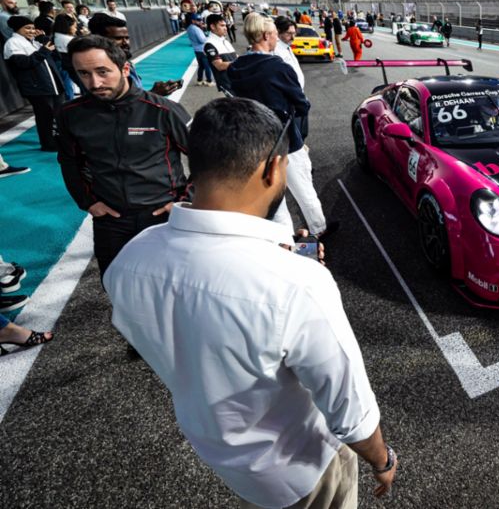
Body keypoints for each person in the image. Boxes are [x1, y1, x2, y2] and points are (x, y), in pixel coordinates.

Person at [104, 98, 396, 508]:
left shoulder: (131, 258)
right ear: (274, 168)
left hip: (219, 450)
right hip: (302, 468)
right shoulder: (297, 283)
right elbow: (349, 407)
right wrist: (383, 460)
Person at [56, 35, 191, 281]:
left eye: (102, 72)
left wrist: (185, 200)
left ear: (125, 68)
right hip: (111, 219)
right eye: (83, 74)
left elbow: (208, 160)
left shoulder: (164, 110)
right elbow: (69, 161)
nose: (94, 83)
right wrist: (88, 202)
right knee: (114, 283)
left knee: (172, 286)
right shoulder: (69, 114)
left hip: (164, 215)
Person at [229, 13, 334, 238]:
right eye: (275, 35)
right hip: (286, 138)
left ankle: (285, 241)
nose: (277, 39)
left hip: (255, 141)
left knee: (274, 198)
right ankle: (319, 229)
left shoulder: (236, 67)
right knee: (303, 187)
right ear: (266, 35)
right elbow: (301, 103)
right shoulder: (277, 66)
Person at [3, 16, 63, 151]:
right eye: (27, 28)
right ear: (17, 29)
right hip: (36, 87)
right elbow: (23, 64)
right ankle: (48, 144)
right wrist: (43, 51)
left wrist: (44, 41)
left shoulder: (33, 42)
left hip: (51, 84)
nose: (31, 31)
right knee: (45, 116)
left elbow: (55, 58)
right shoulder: (12, 43)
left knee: (56, 114)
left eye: (33, 28)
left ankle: (57, 140)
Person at [87, 13, 179, 97]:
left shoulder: (125, 62)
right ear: (100, 39)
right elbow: (115, 109)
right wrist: (153, 93)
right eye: (118, 38)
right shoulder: (99, 73)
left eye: (127, 38)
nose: (125, 43)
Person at [203, 14, 237, 94]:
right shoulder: (209, 44)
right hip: (228, 85)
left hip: (237, 81)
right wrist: (240, 62)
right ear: (212, 27)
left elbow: (235, 57)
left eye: (225, 25)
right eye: (222, 25)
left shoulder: (225, 41)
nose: (225, 28)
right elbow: (219, 65)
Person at [52, 14, 79, 100]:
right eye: (74, 27)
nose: (76, 29)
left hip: (60, 62)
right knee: (68, 84)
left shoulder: (56, 35)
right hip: (67, 63)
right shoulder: (68, 39)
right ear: (67, 27)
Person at [273, 16, 305, 89]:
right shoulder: (275, 50)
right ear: (278, 31)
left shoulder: (287, 46)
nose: (293, 37)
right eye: (289, 33)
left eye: (294, 33)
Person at [187, 13, 214, 87]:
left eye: (201, 20)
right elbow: (202, 40)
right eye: (198, 20)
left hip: (196, 50)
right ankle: (209, 81)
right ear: (193, 21)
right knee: (207, 66)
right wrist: (208, 37)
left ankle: (199, 80)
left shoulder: (189, 28)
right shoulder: (196, 29)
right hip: (203, 50)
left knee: (201, 66)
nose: (200, 21)